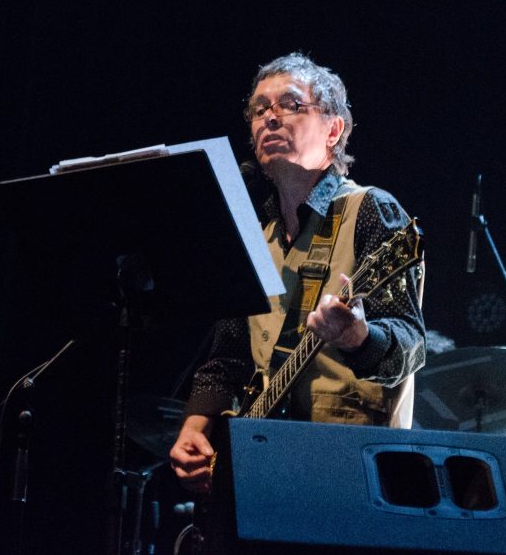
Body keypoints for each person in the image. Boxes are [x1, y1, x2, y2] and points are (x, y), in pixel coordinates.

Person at [169, 53, 426, 495]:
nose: (269, 118)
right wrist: (196, 425)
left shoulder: (373, 210)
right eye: (258, 109)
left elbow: (411, 346)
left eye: (290, 104)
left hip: (352, 474)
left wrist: (358, 338)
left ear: (333, 129)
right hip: (269, 471)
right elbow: (228, 355)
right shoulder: (255, 234)